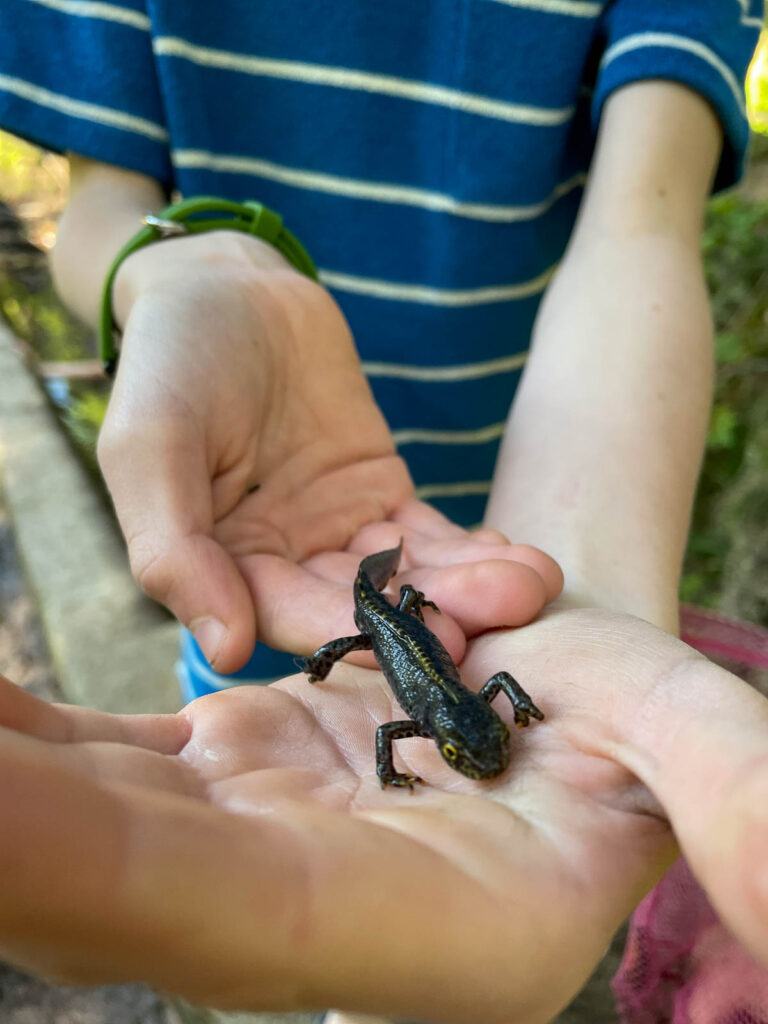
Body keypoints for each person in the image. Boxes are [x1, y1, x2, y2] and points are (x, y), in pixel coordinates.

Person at [0, 0, 765, 1020]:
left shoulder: (440, 712)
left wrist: (569, 641)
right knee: (355, 658)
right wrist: (183, 263)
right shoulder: (416, 701)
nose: (476, 745)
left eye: (469, 748)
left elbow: (640, 223)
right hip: (295, 585)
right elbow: (97, 211)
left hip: (483, 548)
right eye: (467, 745)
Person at [0, 605, 767, 1023]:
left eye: (489, 746)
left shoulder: (461, 710)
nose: (489, 762)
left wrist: (520, 705)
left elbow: (496, 679)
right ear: (445, 742)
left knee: (397, 621)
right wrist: (331, 672)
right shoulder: (421, 722)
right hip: (389, 630)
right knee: (376, 624)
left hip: (422, 648)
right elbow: (391, 730)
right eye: (473, 758)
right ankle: (380, 616)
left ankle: (399, 607)